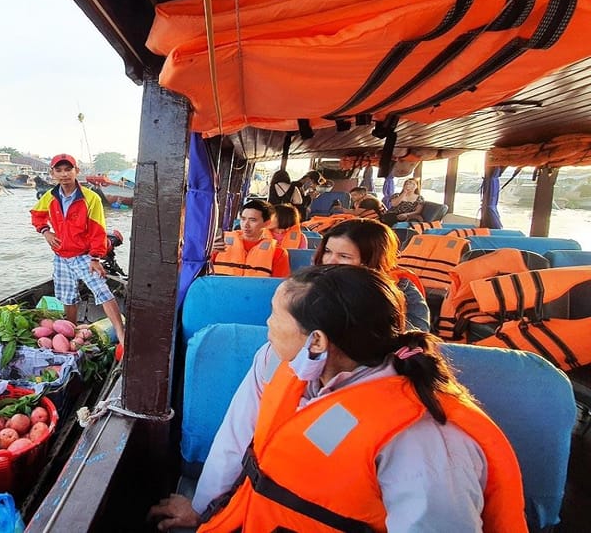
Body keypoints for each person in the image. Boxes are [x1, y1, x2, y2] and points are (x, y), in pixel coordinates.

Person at [148, 265, 526, 532]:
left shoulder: (422, 439)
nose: (266, 325)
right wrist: (201, 510)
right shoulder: (289, 369)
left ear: (317, 341)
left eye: (274, 316)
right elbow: (237, 440)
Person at [31, 153, 126, 347]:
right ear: (53, 173)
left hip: (85, 255)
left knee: (103, 292)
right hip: (61, 255)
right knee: (67, 296)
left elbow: (98, 230)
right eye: (59, 170)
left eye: (68, 169)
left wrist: (95, 258)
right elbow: (37, 216)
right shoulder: (50, 196)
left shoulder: (91, 198)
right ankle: (72, 330)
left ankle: (121, 334)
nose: (64, 174)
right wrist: (46, 232)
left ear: (77, 171)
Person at [314, 218, 430, 331]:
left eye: (344, 256)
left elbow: (416, 339)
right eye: (327, 251)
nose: (330, 261)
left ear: (370, 261)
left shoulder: (402, 288)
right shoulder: (312, 283)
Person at [212, 199, 290, 278]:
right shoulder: (218, 243)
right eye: (243, 219)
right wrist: (207, 255)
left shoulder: (278, 253)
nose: (246, 225)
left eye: (253, 220)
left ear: (267, 223)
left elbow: (280, 286)